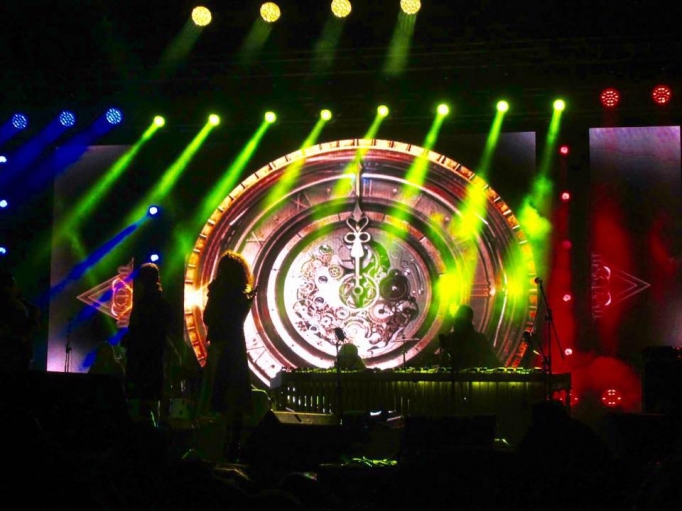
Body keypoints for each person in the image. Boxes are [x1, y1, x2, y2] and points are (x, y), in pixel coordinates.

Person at [199, 250, 257, 462]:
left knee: (219, 397)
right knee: (235, 400)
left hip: (221, 348)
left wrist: (213, 293)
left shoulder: (219, 293)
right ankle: (234, 447)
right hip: (236, 347)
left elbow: (208, 318)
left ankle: (219, 448)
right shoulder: (242, 296)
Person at [120, 262, 174, 426]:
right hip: (155, 363)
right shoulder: (164, 305)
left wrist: (128, 342)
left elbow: (135, 332)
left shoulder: (141, 305)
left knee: (138, 410)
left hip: (140, 364)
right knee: (152, 406)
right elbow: (164, 333)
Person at [0, 269, 40, 376]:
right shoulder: (14, 308)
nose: (16, 289)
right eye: (13, 285)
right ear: (6, 288)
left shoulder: (18, 305)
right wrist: (33, 321)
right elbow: (23, 335)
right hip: (13, 359)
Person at [438, 304, 499, 369]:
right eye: (456, 320)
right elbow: (494, 363)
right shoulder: (479, 339)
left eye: (458, 320)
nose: (455, 322)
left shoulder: (451, 339)